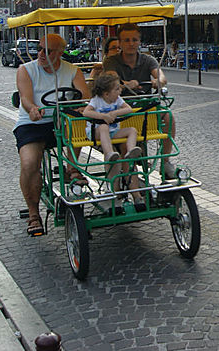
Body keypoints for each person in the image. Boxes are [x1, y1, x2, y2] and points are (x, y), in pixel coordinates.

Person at [14, 33, 91, 236]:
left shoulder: (72, 70)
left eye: (47, 50)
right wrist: (32, 109)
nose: (41, 53)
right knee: (30, 163)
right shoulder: (26, 70)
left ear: (60, 53)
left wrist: (81, 105)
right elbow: (25, 98)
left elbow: (85, 94)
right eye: (39, 48)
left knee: (77, 122)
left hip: (62, 119)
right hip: (34, 122)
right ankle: (33, 214)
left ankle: (71, 168)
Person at [103, 23, 176, 180]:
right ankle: (131, 181)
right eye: (126, 40)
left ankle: (165, 161)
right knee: (125, 147)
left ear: (139, 41)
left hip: (144, 109)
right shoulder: (111, 61)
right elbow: (111, 78)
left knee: (168, 115)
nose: (131, 43)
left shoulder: (147, 60)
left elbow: (161, 76)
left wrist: (159, 81)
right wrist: (123, 84)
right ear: (120, 43)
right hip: (122, 111)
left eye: (134, 40)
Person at [82, 72, 144, 205]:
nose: (120, 90)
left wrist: (115, 112)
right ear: (106, 94)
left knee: (132, 130)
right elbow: (86, 112)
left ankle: (131, 150)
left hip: (113, 131)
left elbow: (128, 109)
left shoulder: (117, 100)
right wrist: (102, 117)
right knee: (103, 127)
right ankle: (109, 152)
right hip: (97, 131)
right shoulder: (97, 100)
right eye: (117, 89)